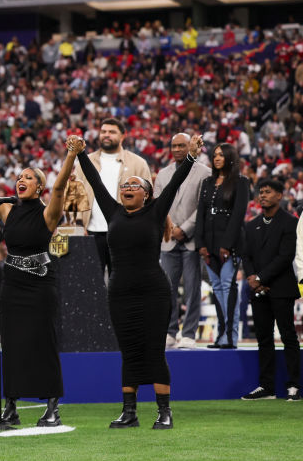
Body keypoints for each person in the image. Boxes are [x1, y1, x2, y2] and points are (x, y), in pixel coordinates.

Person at [0, 135, 84, 427]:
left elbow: (60, 186)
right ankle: (10, 405)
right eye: (19, 177)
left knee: (43, 343)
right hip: (12, 285)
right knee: (11, 345)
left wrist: (71, 154)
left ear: (40, 187)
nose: (21, 180)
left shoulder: (49, 213)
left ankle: (52, 406)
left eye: (29, 178)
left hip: (40, 284)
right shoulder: (6, 209)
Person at [78, 134, 204, 430]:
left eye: (135, 185)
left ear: (147, 194)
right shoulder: (112, 212)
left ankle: (164, 412)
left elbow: (176, 181)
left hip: (153, 292)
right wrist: (82, 153)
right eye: (124, 186)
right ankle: (129, 412)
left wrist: (192, 156)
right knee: (129, 350)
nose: (128, 188)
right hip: (120, 292)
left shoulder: (156, 211)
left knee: (154, 351)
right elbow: (95, 180)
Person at [239, 179, 300, 401]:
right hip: (258, 290)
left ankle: (293, 385)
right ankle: (267, 387)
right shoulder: (251, 224)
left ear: (279, 195)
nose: (262, 195)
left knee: (288, 336)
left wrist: (261, 277)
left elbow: (285, 256)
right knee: (263, 338)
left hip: (281, 287)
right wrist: (252, 277)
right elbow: (246, 256)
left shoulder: (290, 223)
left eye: (268, 192)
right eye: (261, 192)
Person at [75, 118, 152, 280]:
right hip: (91, 232)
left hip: (124, 232)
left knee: (123, 281)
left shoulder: (138, 163)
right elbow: (76, 194)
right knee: (90, 283)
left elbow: (148, 199)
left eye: (112, 132)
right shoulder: (85, 161)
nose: (106, 135)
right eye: (103, 132)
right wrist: (79, 224)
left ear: (123, 136)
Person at [155, 133, 211, 349]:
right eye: (174, 146)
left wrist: (184, 229)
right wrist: (171, 228)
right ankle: (170, 331)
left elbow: (203, 206)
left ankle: (188, 333)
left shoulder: (205, 172)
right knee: (166, 289)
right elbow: (159, 205)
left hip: (190, 240)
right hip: (168, 239)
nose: (177, 149)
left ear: (191, 146)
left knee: (192, 288)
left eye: (182, 145)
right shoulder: (163, 173)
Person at [194, 143, 249, 349]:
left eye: (221, 155)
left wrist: (227, 244)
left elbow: (238, 215)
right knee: (217, 288)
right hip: (208, 243)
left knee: (227, 286)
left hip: (230, 243)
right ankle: (221, 335)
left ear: (229, 157)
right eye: (215, 155)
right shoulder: (207, 182)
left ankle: (230, 336)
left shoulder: (240, 182)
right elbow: (201, 213)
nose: (217, 158)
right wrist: (200, 244)